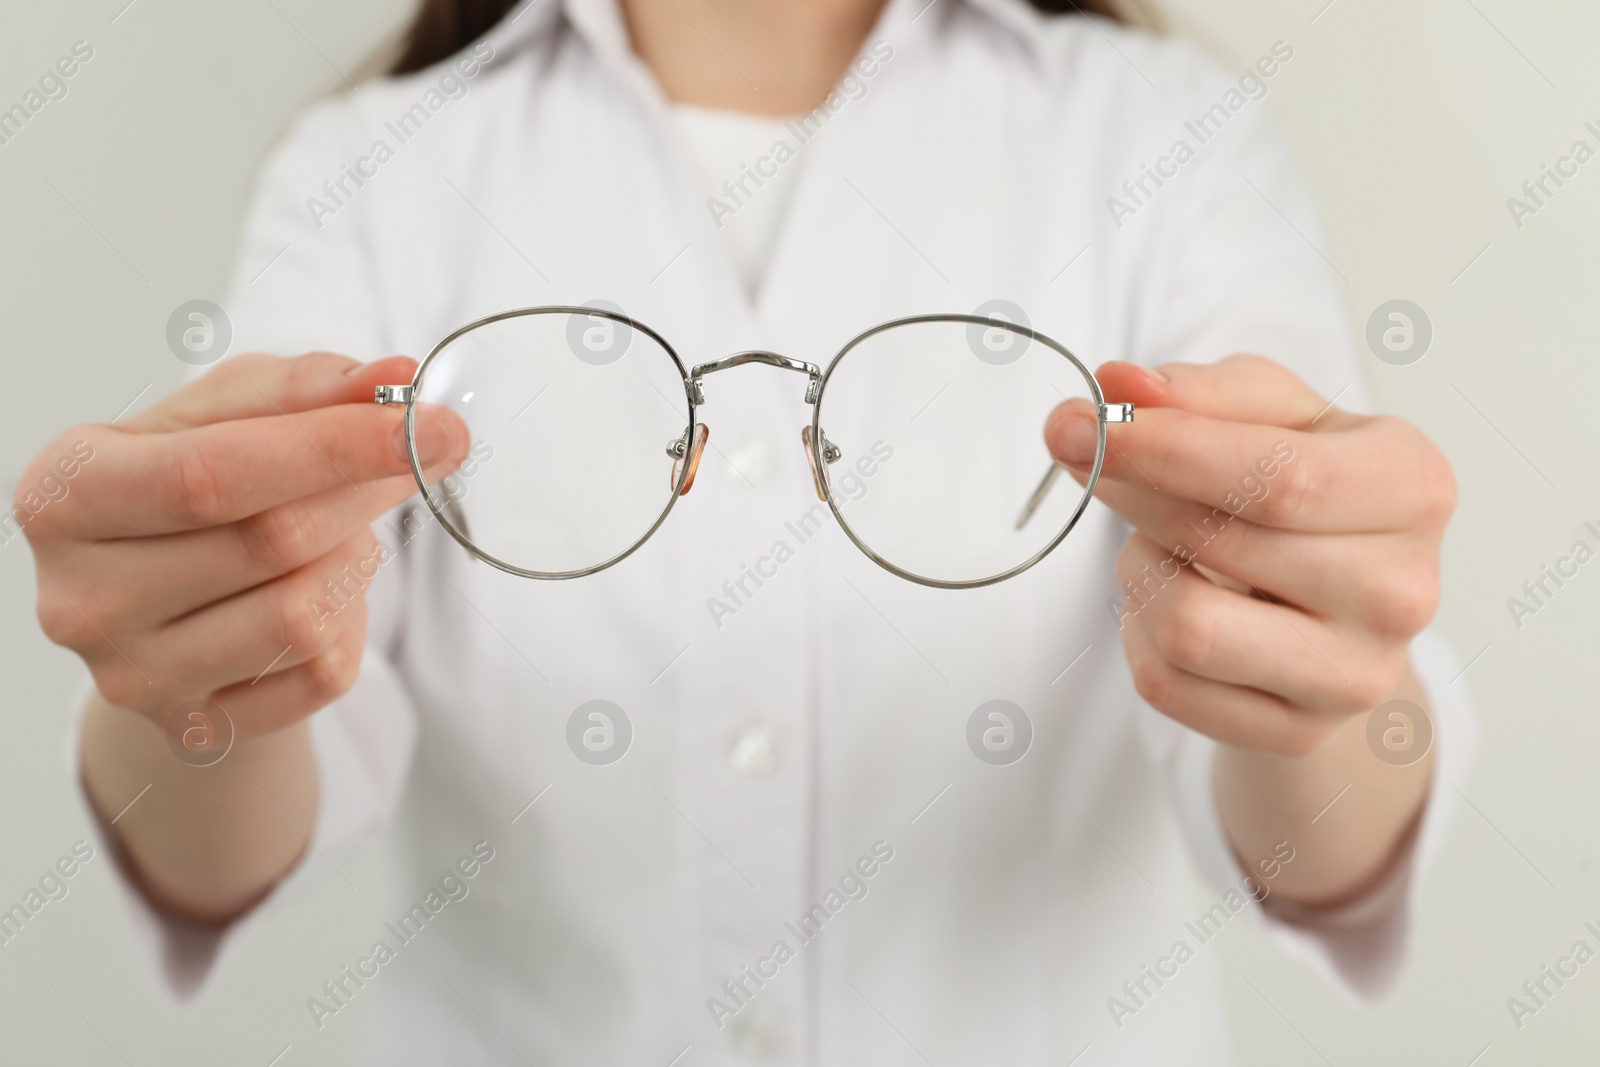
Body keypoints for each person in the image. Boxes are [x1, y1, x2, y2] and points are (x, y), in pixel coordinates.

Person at [20, 0, 1474, 1062]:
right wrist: (184, 670)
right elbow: (222, 848)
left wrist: (1323, 663)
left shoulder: (1165, 136)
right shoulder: (376, 167)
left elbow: (1322, 857)